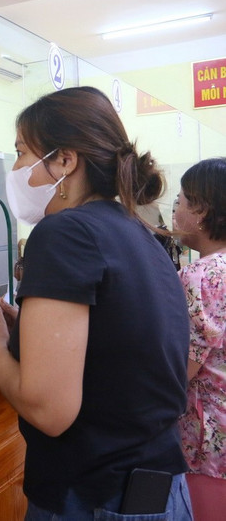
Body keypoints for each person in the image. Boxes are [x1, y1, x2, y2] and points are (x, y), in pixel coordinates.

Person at [0, 86, 192, 519]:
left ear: (66, 160)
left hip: (95, 498)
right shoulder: (135, 230)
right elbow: (118, 349)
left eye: (22, 153)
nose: (15, 169)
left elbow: (50, 410)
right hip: (159, 491)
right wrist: (27, 326)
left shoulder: (64, 233)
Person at [173, 157, 226, 520]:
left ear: (202, 210)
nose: (175, 209)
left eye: (180, 200)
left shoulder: (199, 277)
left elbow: (180, 370)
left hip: (207, 446)